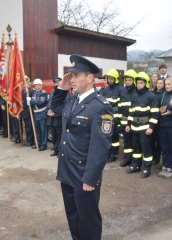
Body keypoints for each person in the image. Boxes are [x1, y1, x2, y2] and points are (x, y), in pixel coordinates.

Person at [51, 54, 113, 240]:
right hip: (67, 169)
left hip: (83, 173)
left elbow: (100, 147)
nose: (72, 79)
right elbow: (54, 109)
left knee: (88, 218)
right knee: (73, 215)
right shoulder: (71, 101)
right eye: (71, 75)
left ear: (90, 78)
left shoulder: (100, 107)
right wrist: (61, 88)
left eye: (76, 75)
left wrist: (90, 178)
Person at [125, 72, 159, 178]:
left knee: (146, 148)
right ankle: (136, 165)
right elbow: (131, 112)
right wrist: (128, 124)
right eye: (138, 83)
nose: (139, 85)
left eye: (141, 83)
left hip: (145, 127)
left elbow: (155, 114)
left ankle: (147, 168)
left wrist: (151, 127)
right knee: (136, 147)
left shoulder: (151, 96)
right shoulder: (134, 96)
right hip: (134, 126)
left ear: (146, 84)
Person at [102, 69, 123, 162]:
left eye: (111, 79)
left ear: (116, 79)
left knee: (114, 137)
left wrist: (120, 120)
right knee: (106, 136)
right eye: (108, 79)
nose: (110, 80)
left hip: (116, 117)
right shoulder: (105, 90)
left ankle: (114, 153)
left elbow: (122, 106)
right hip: (106, 117)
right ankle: (107, 152)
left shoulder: (120, 90)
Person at [118, 69, 137, 167]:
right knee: (126, 141)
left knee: (135, 142)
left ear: (134, 80)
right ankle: (127, 158)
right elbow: (121, 107)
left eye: (130, 80)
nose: (128, 82)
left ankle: (135, 160)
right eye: (126, 80)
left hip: (134, 121)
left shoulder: (137, 92)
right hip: (125, 121)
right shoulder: (123, 91)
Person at [27, 78, 48, 151]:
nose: (37, 87)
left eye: (38, 86)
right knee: (37, 130)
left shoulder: (44, 93)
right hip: (36, 114)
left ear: (41, 86)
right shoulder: (34, 93)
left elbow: (39, 102)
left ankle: (44, 145)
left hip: (42, 114)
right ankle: (38, 143)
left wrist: (31, 100)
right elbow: (34, 101)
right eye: (36, 86)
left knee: (43, 130)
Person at [47, 77, 63, 156]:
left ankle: (60, 151)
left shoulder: (64, 93)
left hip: (58, 118)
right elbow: (49, 103)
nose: (57, 84)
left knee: (60, 136)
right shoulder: (52, 92)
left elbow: (64, 106)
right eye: (55, 83)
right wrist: (48, 110)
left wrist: (56, 114)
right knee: (54, 136)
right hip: (51, 118)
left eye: (58, 82)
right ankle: (56, 150)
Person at [151, 78, 165, 165]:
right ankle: (152, 156)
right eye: (158, 83)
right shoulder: (152, 93)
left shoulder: (164, 94)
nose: (159, 85)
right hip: (152, 119)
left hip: (160, 119)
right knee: (152, 140)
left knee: (159, 141)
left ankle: (157, 157)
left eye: (161, 83)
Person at [21, 76, 35, 146]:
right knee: (26, 127)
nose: (24, 85)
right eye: (23, 83)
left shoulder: (31, 91)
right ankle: (27, 139)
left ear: (29, 83)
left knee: (30, 127)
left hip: (29, 112)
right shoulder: (23, 91)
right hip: (24, 112)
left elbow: (32, 101)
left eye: (25, 83)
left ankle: (31, 141)